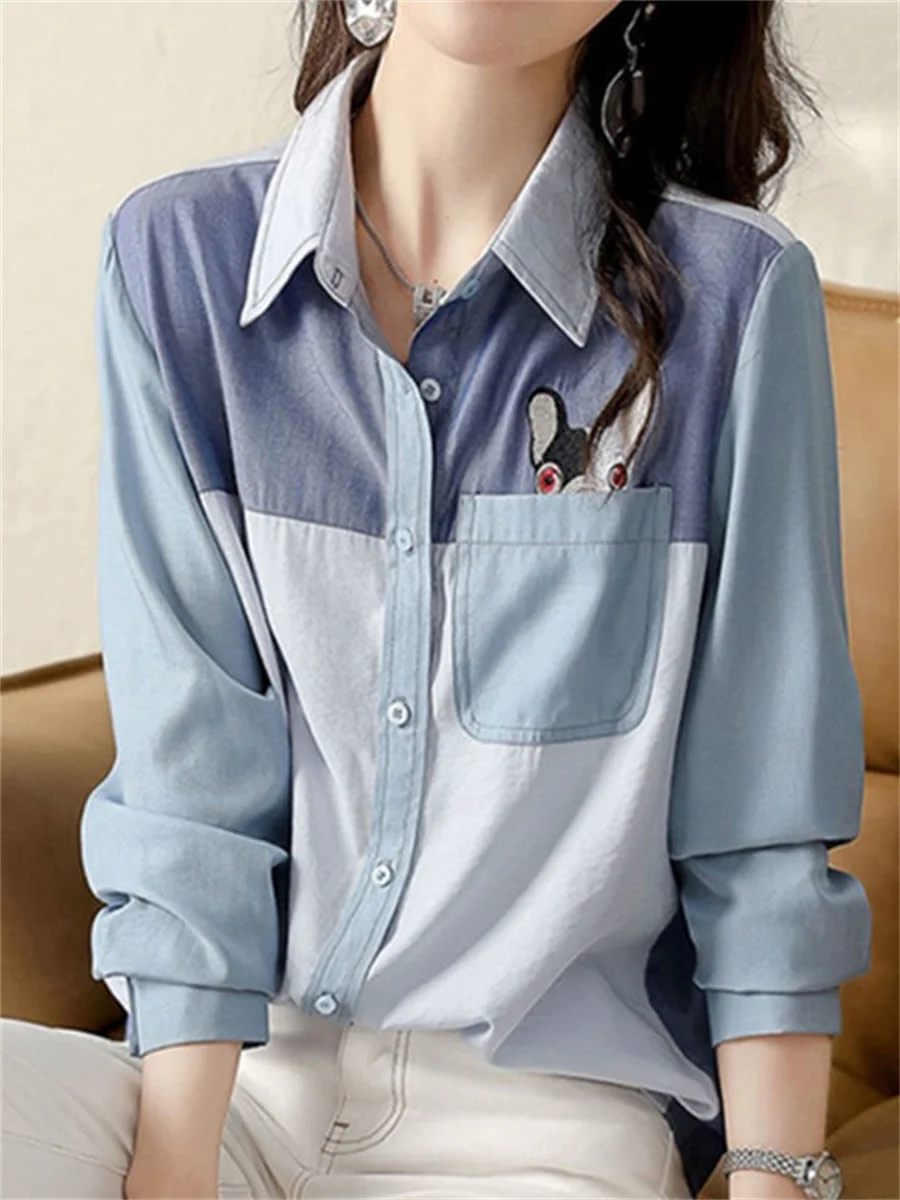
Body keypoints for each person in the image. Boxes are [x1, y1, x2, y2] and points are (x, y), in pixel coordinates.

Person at [0, 1, 873, 1198]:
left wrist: (775, 1172)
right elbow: (189, 769)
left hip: (547, 1131)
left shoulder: (732, 301)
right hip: (227, 1088)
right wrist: (174, 1162)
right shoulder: (179, 261)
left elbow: (758, 817)